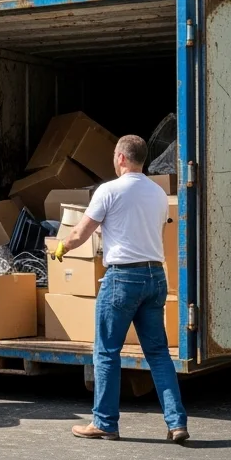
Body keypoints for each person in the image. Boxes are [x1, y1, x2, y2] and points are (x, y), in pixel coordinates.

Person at [52, 135, 188, 443]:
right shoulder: (156, 192)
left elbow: (79, 232)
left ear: (121, 158)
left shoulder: (108, 190)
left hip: (123, 278)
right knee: (158, 353)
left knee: (107, 351)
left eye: (115, 156)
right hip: (155, 276)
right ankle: (176, 422)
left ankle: (104, 422)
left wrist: (61, 247)